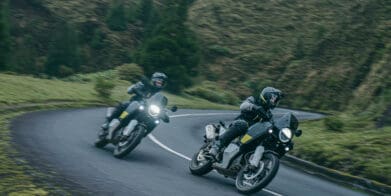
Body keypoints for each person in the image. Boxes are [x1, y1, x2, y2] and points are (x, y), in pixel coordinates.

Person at [209, 87, 283, 158]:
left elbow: (272, 125)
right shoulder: (254, 100)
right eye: (273, 99)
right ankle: (217, 146)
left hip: (252, 134)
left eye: (276, 100)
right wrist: (254, 107)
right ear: (266, 96)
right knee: (242, 125)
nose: (274, 101)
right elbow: (243, 105)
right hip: (240, 124)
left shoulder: (269, 115)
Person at [101, 72, 168, 132]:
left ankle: (140, 133)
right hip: (134, 103)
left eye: (162, 81)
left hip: (145, 110)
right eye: (159, 80)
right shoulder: (144, 84)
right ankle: (108, 122)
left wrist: (164, 113)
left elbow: (161, 106)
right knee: (124, 105)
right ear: (153, 79)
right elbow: (130, 90)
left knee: (155, 120)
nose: (160, 82)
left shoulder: (160, 95)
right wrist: (134, 88)